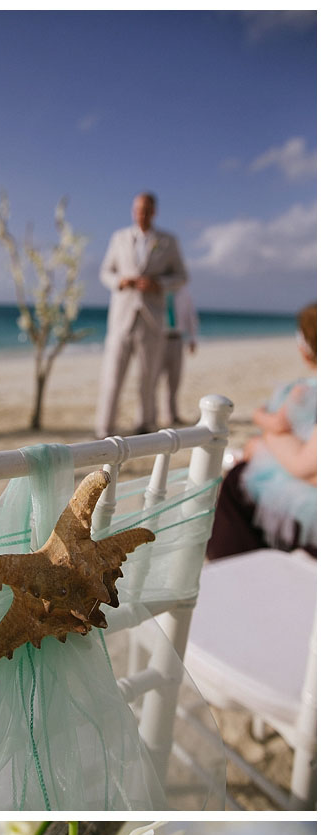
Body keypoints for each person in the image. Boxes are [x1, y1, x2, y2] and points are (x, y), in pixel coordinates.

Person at [207, 303, 316, 560]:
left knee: (238, 480)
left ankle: (239, 571)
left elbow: (303, 466)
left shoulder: (304, 389)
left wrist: (265, 438)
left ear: (305, 350)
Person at [95, 192, 188, 438]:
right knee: (112, 376)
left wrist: (158, 284)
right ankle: (104, 428)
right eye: (137, 209)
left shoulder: (168, 241)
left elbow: (181, 277)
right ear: (132, 210)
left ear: (154, 212)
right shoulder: (119, 238)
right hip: (121, 318)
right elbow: (105, 272)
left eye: (146, 210)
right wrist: (120, 281)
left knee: (148, 378)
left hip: (151, 319)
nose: (141, 214)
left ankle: (145, 424)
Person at [158, 283, 199, 427]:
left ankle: (172, 415)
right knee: (151, 381)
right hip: (157, 339)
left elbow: (190, 315)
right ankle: (149, 417)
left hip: (177, 338)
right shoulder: (156, 287)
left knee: (174, 379)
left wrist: (193, 338)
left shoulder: (183, 291)